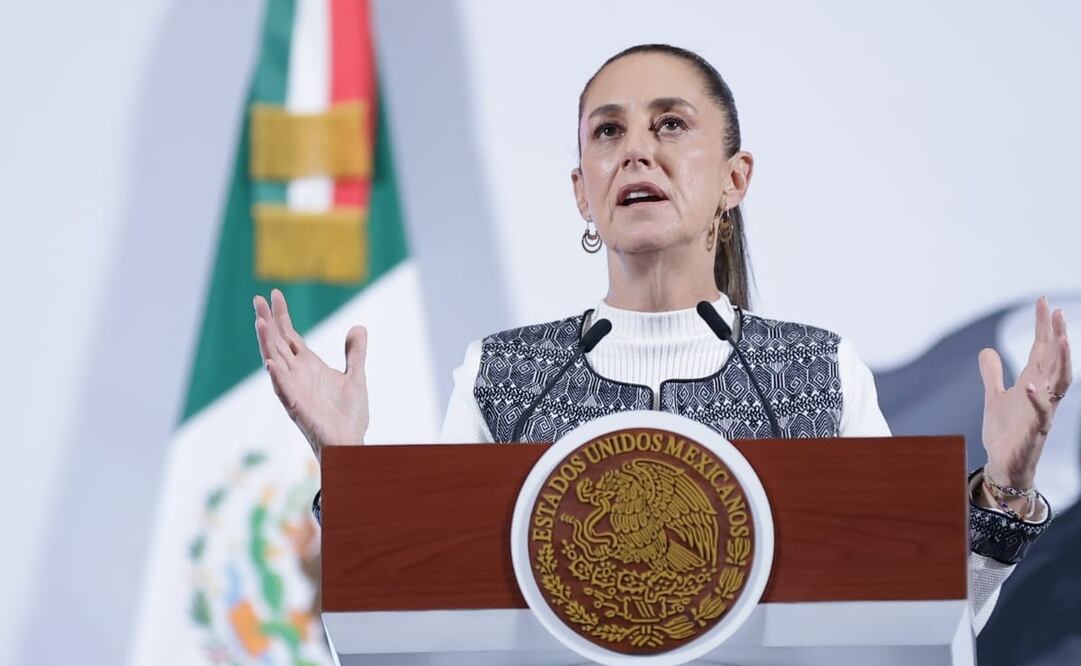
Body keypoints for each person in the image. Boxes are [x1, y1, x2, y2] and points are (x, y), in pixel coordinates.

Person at [252, 44, 1072, 634]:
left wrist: (1005, 482)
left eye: (669, 124)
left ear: (733, 179)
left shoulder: (816, 371)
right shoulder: (501, 375)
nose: (635, 148)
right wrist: (346, 469)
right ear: (582, 191)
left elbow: (918, 618)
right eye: (606, 132)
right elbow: (423, 621)